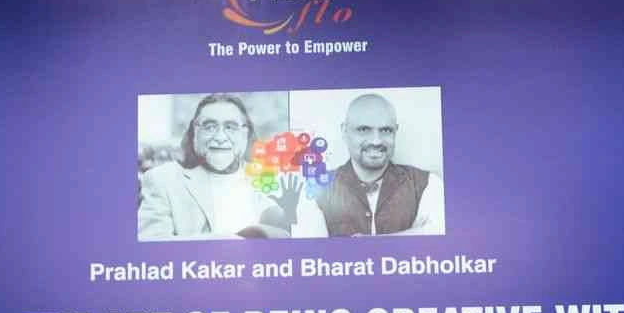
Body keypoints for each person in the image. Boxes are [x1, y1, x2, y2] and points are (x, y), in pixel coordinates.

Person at [138, 93, 325, 239]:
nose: (220, 137)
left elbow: (314, 235)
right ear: (194, 133)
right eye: (209, 127)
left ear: (246, 133)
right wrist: (232, 240)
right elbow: (151, 244)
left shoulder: (278, 179)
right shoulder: (163, 180)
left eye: (230, 127)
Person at [314, 92, 446, 237]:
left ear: (395, 132)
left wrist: (370, 243)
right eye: (364, 130)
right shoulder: (316, 188)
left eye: (386, 130)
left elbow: (440, 236)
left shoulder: (428, 183)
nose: (376, 141)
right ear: (345, 131)